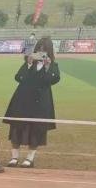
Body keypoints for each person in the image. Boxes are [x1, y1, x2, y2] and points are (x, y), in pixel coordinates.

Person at [4, 37, 60, 168]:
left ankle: (30, 158)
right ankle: (14, 157)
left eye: (44, 50)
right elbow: (18, 77)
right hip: (22, 99)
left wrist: (47, 67)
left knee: (37, 129)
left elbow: (52, 80)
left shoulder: (53, 66)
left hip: (40, 102)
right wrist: (28, 65)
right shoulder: (29, 63)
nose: (41, 52)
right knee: (16, 128)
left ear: (49, 51)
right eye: (39, 49)